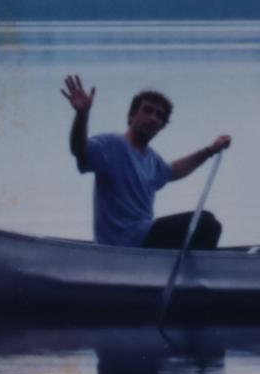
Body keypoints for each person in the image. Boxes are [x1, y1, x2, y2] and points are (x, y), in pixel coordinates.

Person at [61, 75, 232, 249]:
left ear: (161, 126)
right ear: (132, 116)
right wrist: (82, 115)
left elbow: (174, 170)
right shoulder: (111, 145)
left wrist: (210, 150)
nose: (153, 118)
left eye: (159, 116)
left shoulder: (151, 159)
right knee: (206, 222)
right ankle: (195, 271)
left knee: (211, 224)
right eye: (147, 110)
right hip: (122, 241)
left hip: (143, 239)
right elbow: (79, 150)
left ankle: (187, 269)